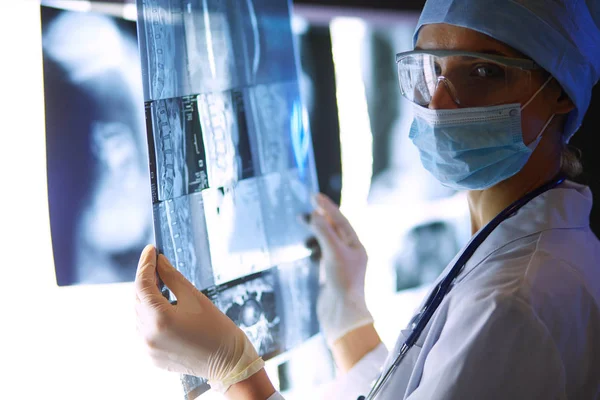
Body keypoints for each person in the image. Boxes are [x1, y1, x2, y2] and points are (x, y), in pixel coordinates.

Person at [134, 0, 600, 398]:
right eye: (431, 69)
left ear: (559, 90)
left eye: (482, 71)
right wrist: (349, 320)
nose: (437, 104)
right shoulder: (514, 242)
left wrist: (234, 372)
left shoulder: (515, 300)